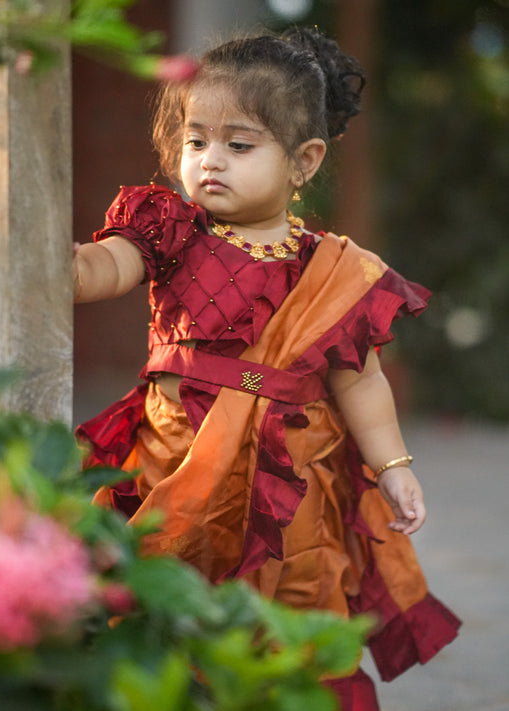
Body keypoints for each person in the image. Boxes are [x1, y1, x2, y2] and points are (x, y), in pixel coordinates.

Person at [74, 27, 460, 711]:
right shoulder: (169, 230)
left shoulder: (331, 268)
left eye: (238, 144)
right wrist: (65, 263)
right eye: (195, 141)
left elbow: (359, 377)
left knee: (293, 601)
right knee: (171, 597)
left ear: (303, 161)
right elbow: (107, 265)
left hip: (292, 476)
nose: (209, 161)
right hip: (177, 462)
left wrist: (393, 466)